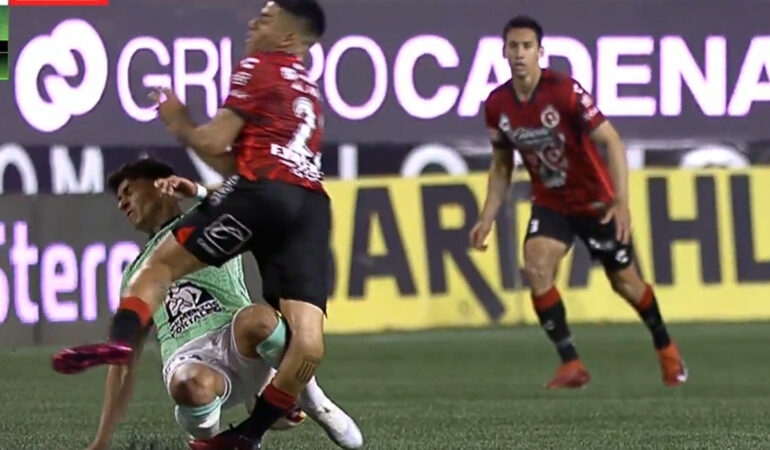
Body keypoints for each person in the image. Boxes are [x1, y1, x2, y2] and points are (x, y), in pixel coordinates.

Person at [53, 1, 331, 448]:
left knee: (162, 277)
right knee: (308, 342)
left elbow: (217, 146)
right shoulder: (307, 89)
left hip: (238, 325)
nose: (254, 21)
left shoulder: (259, 65)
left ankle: (291, 398)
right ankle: (264, 420)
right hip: (309, 199)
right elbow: (237, 164)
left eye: (267, 16)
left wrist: (180, 122)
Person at [76, 159, 362, 450]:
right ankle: (212, 437)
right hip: (189, 359)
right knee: (189, 385)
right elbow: (125, 361)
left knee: (260, 319)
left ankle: (317, 404)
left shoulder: (209, 222)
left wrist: (198, 191)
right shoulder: (135, 272)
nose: (122, 203)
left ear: (160, 185)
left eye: (128, 191)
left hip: (238, 339)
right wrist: (101, 440)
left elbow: (253, 198)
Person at [469, 15, 688, 389]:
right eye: (513, 47)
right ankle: (571, 363)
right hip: (552, 203)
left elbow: (612, 141)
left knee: (627, 284)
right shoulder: (497, 104)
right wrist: (487, 215)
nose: (520, 54)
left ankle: (667, 350)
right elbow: (503, 164)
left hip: (595, 203)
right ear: (504, 52)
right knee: (536, 264)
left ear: (540, 52)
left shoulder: (565, 91)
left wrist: (621, 201)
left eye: (527, 47)